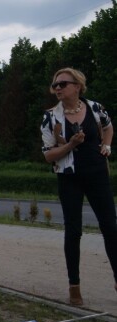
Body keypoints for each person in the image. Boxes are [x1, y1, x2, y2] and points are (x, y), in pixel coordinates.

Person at [40, 67, 117, 304]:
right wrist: (70, 145)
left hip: (97, 174)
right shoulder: (51, 117)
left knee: (111, 228)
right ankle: (74, 286)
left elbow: (108, 126)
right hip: (69, 178)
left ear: (77, 86)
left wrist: (107, 145)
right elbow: (48, 155)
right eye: (55, 85)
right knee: (73, 231)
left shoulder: (94, 108)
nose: (58, 89)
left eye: (63, 84)